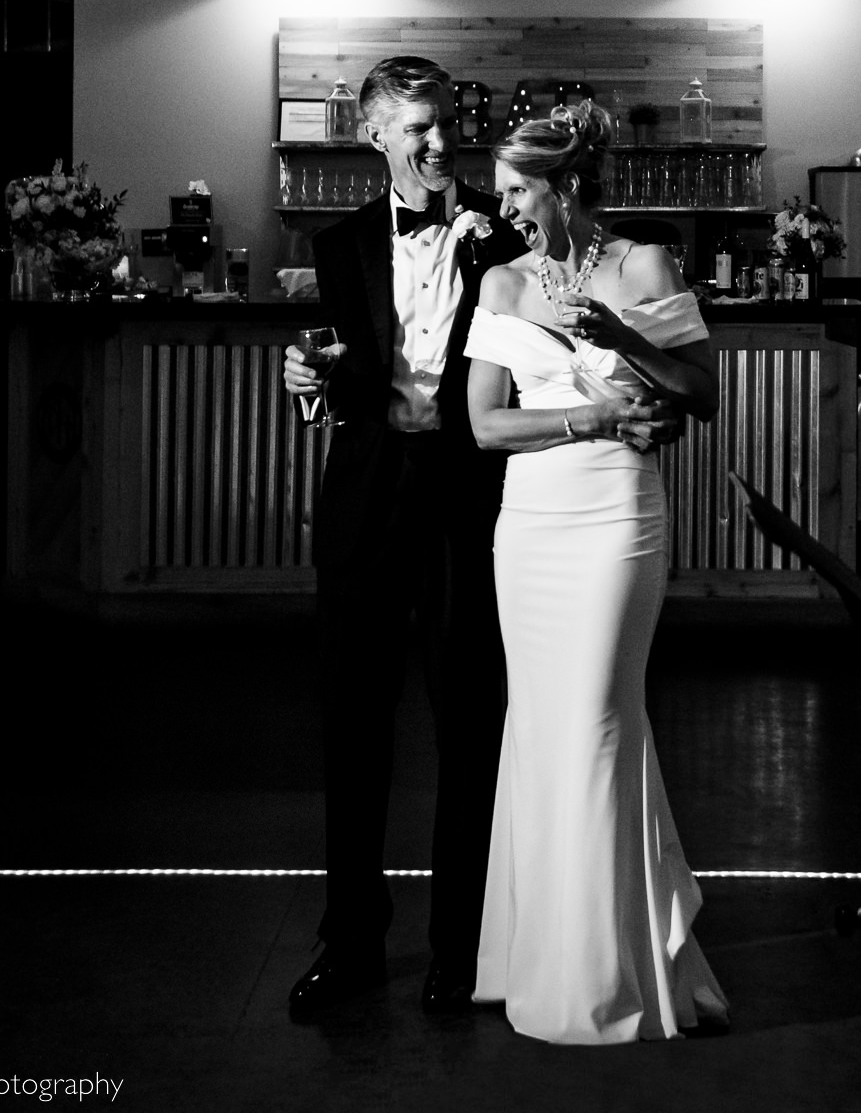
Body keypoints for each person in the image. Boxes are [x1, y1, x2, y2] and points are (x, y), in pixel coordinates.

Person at [462, 102, 730, 1044]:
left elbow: (702, 393)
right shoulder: (499, 283)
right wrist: (596, 417)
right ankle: (544, 953)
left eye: (517, 189)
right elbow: (486, 425)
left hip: (617, 515)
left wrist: (624, 343)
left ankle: (612, 968)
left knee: (600, 720)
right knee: (540, 728)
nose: (505, 210)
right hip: (529, 524)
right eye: (500, 192)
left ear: (567, 185)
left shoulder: (645, 265)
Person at [281, 56, 535, 1021]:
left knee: (471, 724)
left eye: (443, 127)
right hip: (365, 504)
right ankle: (350, 941)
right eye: (415, 129)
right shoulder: (338, 243)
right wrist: (311, 383)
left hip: (471, 502)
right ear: (375, 136)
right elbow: (344, 362)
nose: (436, 144)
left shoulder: (506, 233)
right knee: (353, 728)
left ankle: (461, 950)